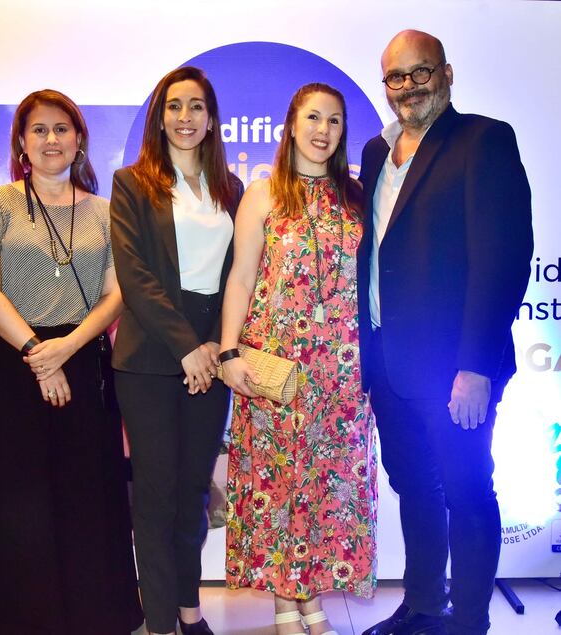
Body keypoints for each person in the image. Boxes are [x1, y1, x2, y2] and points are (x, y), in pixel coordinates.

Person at [357, 30, 533, 635]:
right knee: (414, 487)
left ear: (447, 74)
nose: (408, 87)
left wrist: (476, 365)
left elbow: (503, 258)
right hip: (388, 362)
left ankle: (470, 622)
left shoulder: (484, 140)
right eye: (395, 78)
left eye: (419, 72)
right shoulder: (377, 154)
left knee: (466, 491)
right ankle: (424, 604)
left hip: (457, 367)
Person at [0, 89, 143, 634]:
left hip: (82, 359)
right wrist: (39, 353)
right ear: (21, 141)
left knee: (86, 494)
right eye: (39, 130)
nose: (51, 139)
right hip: (12, 363)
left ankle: (90, 616)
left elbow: (115, 294)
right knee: (16, 499)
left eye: (62, 129)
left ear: (79, 139)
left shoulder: (104, 211)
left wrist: (68, 347)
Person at [220, 83, 377, 635]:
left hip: (341, 371)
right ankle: (286, 600)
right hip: (276, 366)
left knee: (326, 483)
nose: (323, 130)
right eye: (313, 117)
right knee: (279, 482)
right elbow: (240, 278)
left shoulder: (357, 196)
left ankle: (310, 594)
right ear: (291, 123)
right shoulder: (262, 194)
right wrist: (228, 351)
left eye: (335, 121)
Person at [110, 66, 243, 635]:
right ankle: (160, 621)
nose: (184, 117)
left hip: (211, 355)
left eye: (195, 106)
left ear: (211, 118)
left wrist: (217, 346)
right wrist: (188, 347)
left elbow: (241, 275)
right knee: (158, 494)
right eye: (173, 106)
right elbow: (135, 277)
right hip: (149, 361)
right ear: (159, 116)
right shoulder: (131, 183)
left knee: (193, 493)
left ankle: (191, 613)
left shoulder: (231, 189)